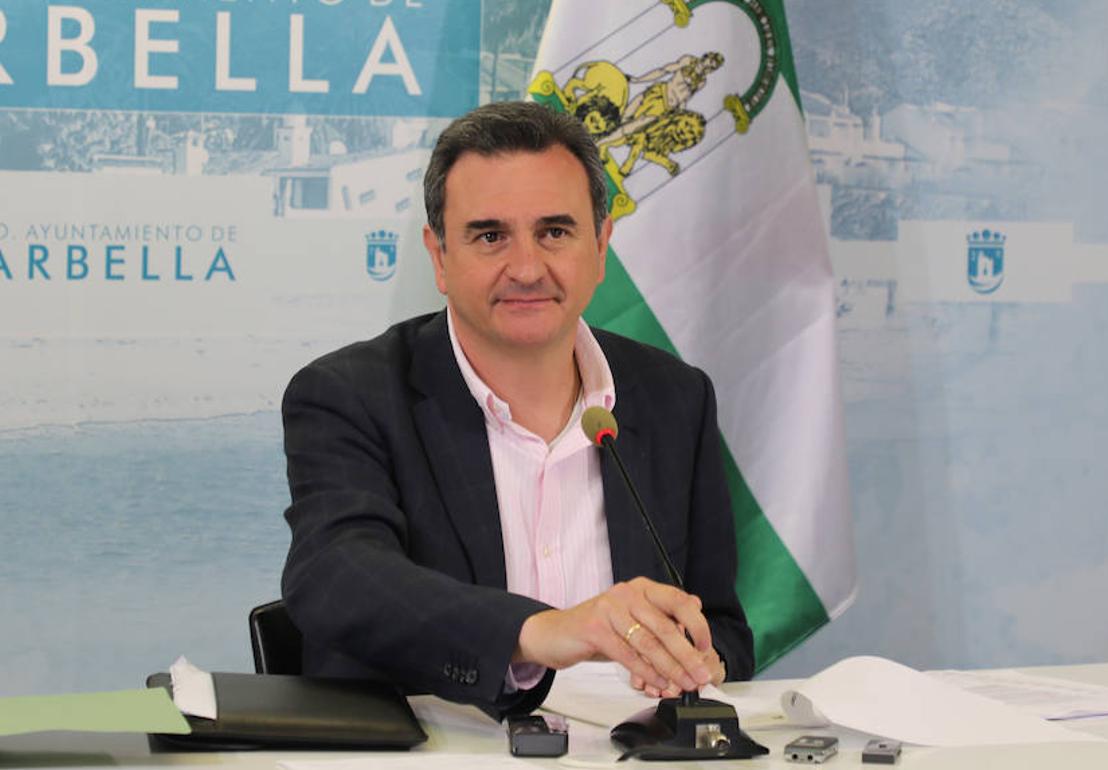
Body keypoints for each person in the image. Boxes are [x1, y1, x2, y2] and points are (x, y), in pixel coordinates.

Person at [280, 101, 753, 719]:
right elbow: (337, 575)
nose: (527, 269)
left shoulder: (674, 398)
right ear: (439, 257)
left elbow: (721, 624)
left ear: (600, 247)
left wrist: (702, 661)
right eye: (490, 236)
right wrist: (540, 632)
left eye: (555, 232)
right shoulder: (350, 395)